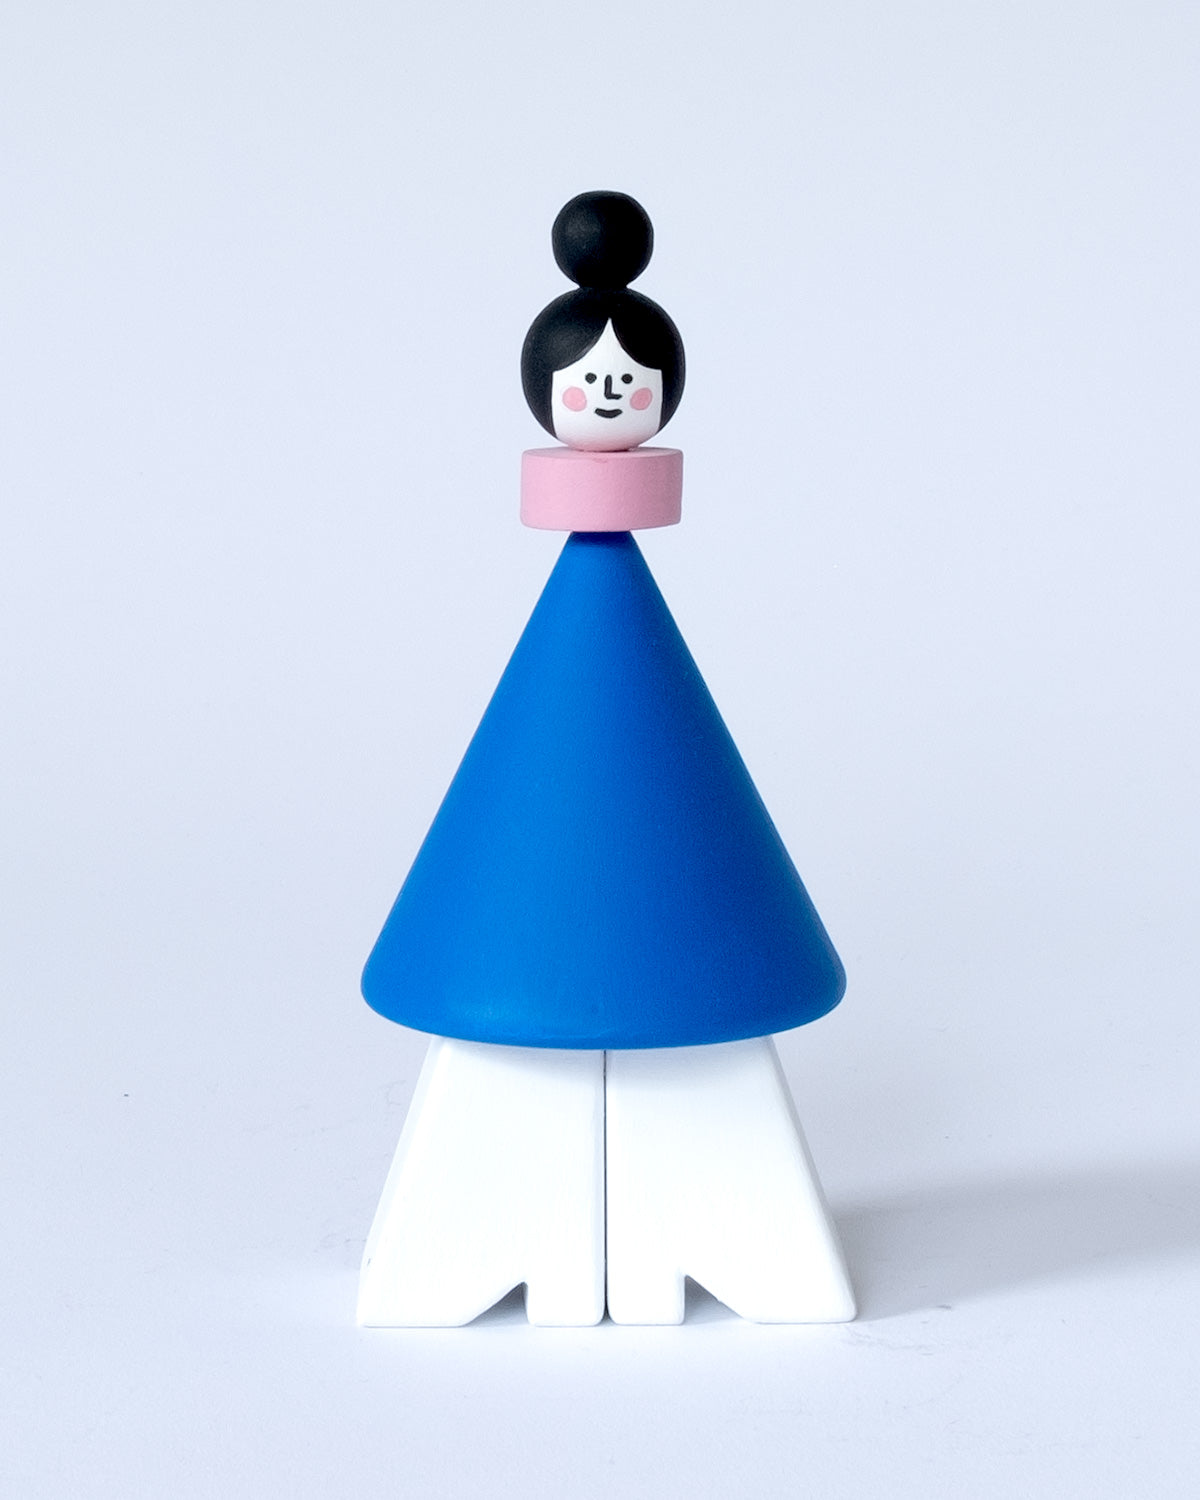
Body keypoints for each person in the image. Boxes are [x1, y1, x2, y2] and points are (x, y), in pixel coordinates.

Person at [358, 192, 855, 1327]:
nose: (614, 397)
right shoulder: (588, 618)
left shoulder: (612, 616)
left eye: (632, 381)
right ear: (549, 392)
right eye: (590, 384)